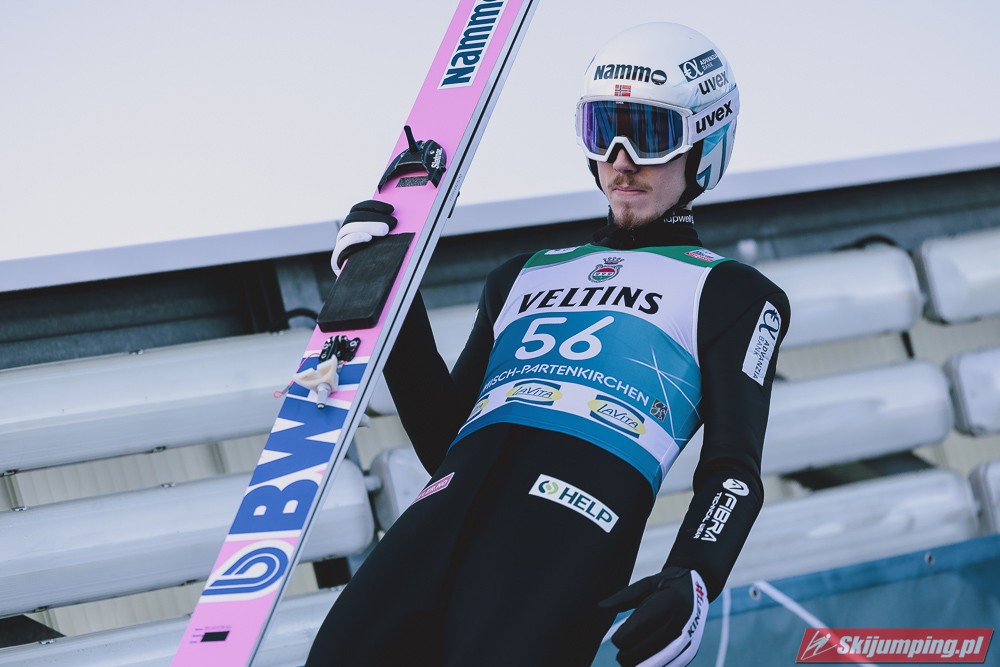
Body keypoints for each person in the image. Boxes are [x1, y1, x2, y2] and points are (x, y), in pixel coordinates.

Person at [307, 22, 789, 667]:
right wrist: (391, 298)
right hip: (433, 526)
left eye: (649, 135)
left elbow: (734, 468)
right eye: (602, 131)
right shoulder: (522, 275)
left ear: (705, 143)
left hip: (562, 541)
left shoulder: (732, 293)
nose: (621, 159)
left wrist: (696, 571)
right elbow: (444, 439)